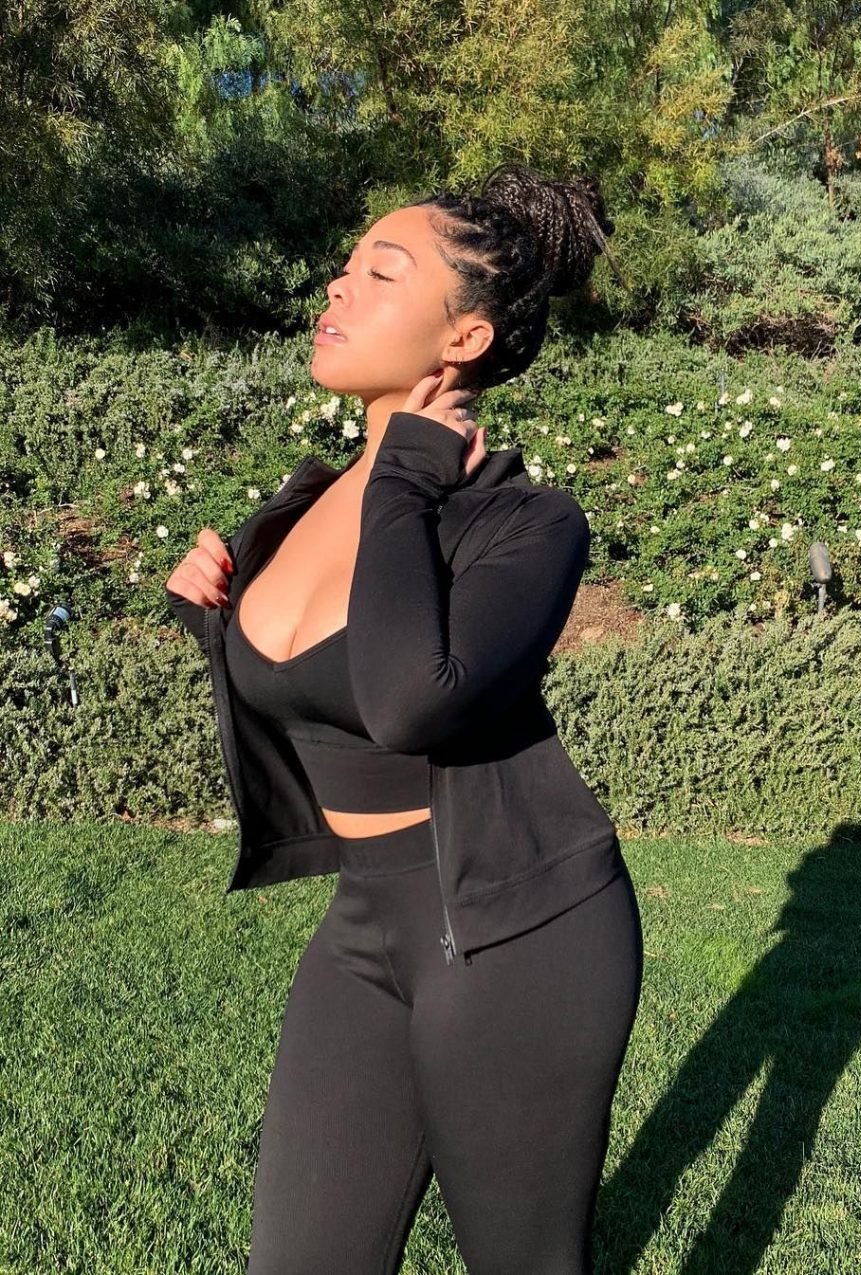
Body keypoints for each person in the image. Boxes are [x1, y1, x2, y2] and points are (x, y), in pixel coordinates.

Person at [165, 161, 643, 1274]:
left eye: (378, 273)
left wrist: (405, 479)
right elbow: (313, 689)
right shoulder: (303, 504)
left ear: (464, 339)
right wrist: (215, 617)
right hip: (364, 924)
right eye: (343, 267)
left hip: (519, 931)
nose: (336, 287)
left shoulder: (526, 525)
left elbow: (407, 701)